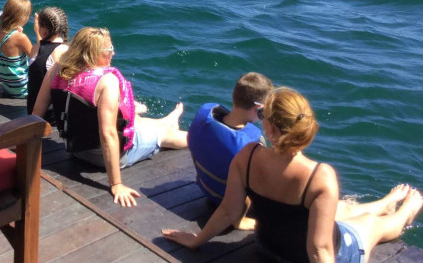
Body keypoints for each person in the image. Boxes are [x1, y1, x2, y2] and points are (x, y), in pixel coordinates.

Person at [163, 87, 423, 263]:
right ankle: (405, 211)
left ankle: (382, 204)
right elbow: (320, 250)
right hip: (306, 256)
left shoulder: (248, 156)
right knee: (372, 224)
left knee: (337, 208)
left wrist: (196, 240)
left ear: (268, 125)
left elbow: (229, 213)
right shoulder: (320, 176)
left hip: (268, 247)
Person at [32, 27, 188, 207]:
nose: (112, 53)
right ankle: (192, 137)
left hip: (75, 149)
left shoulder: (57, 70)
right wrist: (116, 184)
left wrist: (28, 150)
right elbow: (108, 135)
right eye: (108, 50)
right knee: (166, 136)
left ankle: (167, 121)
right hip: (102, 157)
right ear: (93, 53)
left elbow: (37, 112)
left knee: (138, 121)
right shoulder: (106, 82)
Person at [187, 72, 273, 206]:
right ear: (259, 109)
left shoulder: (204, 113)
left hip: (206, 188)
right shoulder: (253, 143)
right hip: (230, 204)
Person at [0, 0, 38, 98]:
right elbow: (35, 56)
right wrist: (38, 32)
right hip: (22, 89)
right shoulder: (20, 37)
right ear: (22, 17)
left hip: (7, 87)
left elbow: (8, 49)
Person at [26, 6, 69, 114]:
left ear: (43, 29)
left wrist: (37, 32)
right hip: (51, 117)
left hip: (32, 111)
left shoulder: (36, 48)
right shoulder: (64, 51)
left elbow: (44, 50)